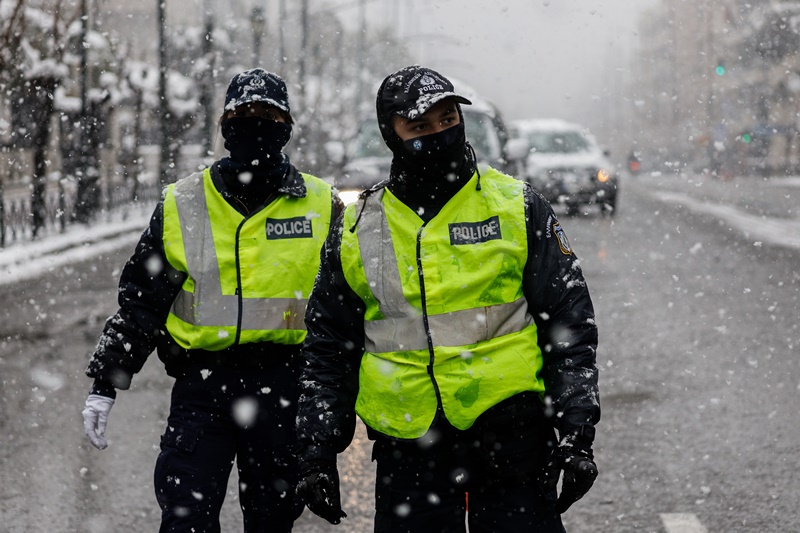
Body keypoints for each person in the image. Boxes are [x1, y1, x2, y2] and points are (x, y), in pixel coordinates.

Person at [294, 65, 600, 532]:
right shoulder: (359, 225)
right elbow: (329, 343)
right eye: (419, 126)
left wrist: (576, 429)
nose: (438, 134)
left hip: (512, 432)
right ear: (390, 134)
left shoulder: (516, 204)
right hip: (409, 442)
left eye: (447, 120)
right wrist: (315, 449)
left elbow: (568, 318)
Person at [81, 68, 343, 532]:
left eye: (268, 115)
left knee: (272, 522)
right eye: (243, 114)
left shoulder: (321, 205)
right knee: (186, 517)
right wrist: (106, 379)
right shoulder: (184, 201)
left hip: (284, 390)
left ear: (286, 127)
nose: (254, 124)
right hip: (203, 388)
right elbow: (142, 301)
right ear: (224, 125)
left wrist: (335, 406)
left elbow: (345, 311)